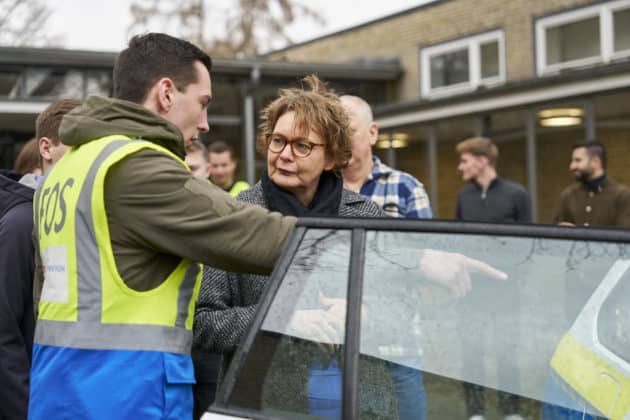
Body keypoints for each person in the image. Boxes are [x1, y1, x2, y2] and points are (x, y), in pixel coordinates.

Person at [28, 33, 297, 420]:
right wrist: (360, 243)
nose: (205, 124)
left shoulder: (67, 169)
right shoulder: (138, 167)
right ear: (166, 93)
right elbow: (259, 238)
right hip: (128, 397)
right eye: (202, 103)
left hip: (59, 393)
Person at [194, 74, 402, 419]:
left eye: (302, 146)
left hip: (361, 403)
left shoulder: (365, 214)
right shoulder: (236, 215)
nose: (284, 155)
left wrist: (363, 315)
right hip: (265, 405)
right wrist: (279, 319)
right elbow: (202, 323)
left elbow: (400, 310)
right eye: (277, 141)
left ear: (333, 157)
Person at [341, 94, 430, 420]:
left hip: (397, 345)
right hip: (335, 348)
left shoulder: (405, 188)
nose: (339, 138)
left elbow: (423, 263)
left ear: (373, 133)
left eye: (347, 129)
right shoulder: (319, 190)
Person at [0, 99, 81, 419]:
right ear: (46, 148)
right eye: (77, 148)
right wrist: (29, 410)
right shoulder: (21, 224)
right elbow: (4, 334)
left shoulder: (70, 217)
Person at [454, 137, 531, 420]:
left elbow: (528, 246)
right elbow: (459, 241)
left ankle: (511, 412)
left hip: (506, 291)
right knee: (472, 353)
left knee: (506, 353)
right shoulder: (464, 196)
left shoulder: (517, 194)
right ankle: (475, 412)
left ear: (482, 160)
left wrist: (518, 281)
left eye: (464, 160)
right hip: (472, 292)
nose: (460, 167)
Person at [339, 95, 432, 219]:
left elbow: (423, 238)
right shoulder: (317, 187)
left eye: (348, 132)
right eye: (332, 133)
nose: (338, 141)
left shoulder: (406, 188)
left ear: (372, 133)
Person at [554, 141, 630, 228]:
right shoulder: (569, 195)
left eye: (578, 160)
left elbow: (624, 236)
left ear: (596, 161)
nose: (572, 166)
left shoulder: (622, 195)